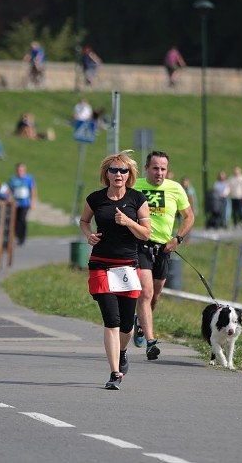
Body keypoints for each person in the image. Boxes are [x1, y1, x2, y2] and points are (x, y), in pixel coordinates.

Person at [78, 150, 151, 390]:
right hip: (100, 264)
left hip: (127, 266)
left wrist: (129, 222)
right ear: (106, 173)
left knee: (127, 326)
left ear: (129, 174)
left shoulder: (137, 199)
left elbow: (146, 233)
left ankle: (122, 351)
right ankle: (114, 373)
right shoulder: (96, 198)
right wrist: (89, 236)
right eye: (114, 170)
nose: (118, 174)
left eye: (123, 170)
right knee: (112, 320)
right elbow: (84, 221)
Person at [132, 151, 194, 360]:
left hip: (164, 249)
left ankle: (140, 323)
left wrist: (178, 239)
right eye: (155, 168)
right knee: (146, 292)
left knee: (155, 296)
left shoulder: (175, 189)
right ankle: (150, 341)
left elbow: (189, 217)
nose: (159, 172)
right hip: (141, 244)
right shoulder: (135, 185)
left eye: (163, 169)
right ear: (147, 168)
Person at [8, 163, 37, 246]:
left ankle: (22, 237)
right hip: (16, 203)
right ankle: (17, 235)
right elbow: (10, 190)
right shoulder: (13, 179)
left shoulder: (29, 178)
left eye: (21, 170)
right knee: (15, 220)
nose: (20, 172)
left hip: (25, 203)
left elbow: (33, 190)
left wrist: (33, 201)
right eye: (18, 170)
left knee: (22, 219)